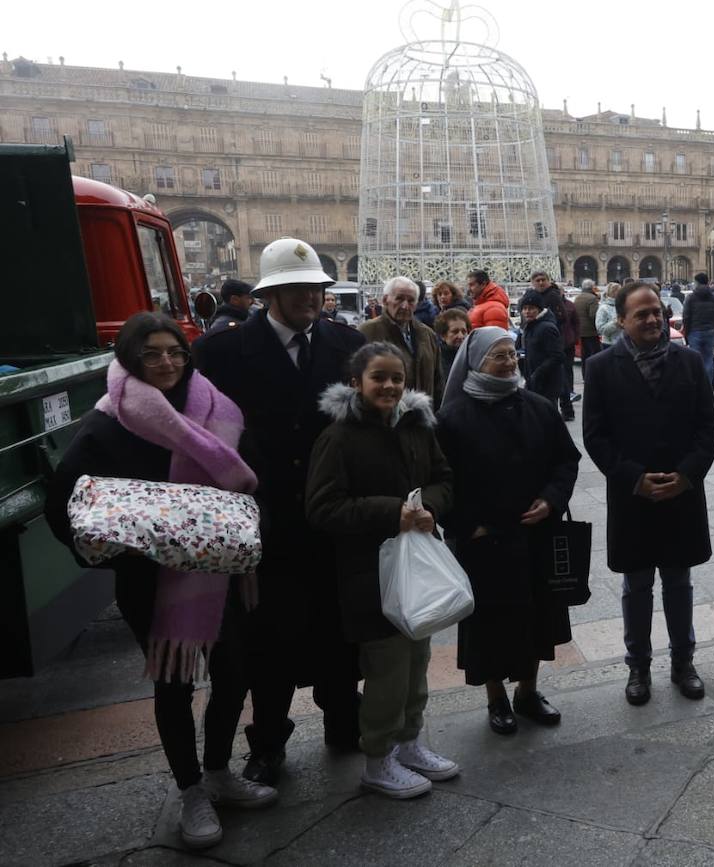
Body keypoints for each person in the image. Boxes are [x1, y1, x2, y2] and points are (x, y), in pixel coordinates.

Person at [46, 313, 277, 849]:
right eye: (151, 354)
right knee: (173, 686)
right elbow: (64, 501)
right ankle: (191, 789)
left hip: (221, 575)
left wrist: (253, 526)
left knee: (233, 672)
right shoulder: (110, 420)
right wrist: (119, 557)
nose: (167, 362)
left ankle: (219, 771)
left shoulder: (219, 407)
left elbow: (254, 476)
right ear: (131, 359)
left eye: (175, 350)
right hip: (151, 583)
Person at [193, 237, 366, 786]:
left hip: (333, 516)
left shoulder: (348, 343)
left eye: (314, 288)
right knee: (271, 638)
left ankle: (345, 724)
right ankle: (268, 741)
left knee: (341, 628)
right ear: (269, 294)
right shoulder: (221, 353)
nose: (309, 298)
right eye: (295, 289)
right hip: (267, 520)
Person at [305, 343, 458, 798]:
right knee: (387, 667)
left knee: (418, 658)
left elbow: (443, 478)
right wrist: (393, 511)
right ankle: (378, 758)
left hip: (416, 565)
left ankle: (409, 743)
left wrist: (429, 507)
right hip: (368, 571)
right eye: (379, 378)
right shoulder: (338, 436)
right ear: (357, 383)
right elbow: (322, 507)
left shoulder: (417, 426)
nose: (389, 386)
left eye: (397, 377)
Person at [583, 281, 714, 705]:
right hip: (633, 497)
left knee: (679, 581)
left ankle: (684, 662)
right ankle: (638, 666)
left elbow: (708, 427)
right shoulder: (601, 368)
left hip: (681, 493)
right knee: (637, 584)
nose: (652, 319)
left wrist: (686, 475)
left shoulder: (690, 361)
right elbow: (596, 436)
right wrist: (634, 478)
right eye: (641, 314)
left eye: (657, 312)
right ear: (620, 320)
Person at [437, 328, 581, 735]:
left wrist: (551, 499)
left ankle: (529, 691)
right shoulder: (453, 417)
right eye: (497, 356)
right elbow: (442, 480)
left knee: (537, 614)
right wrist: (469, 525)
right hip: (484, 540)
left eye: (511, 354)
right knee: (490, 621)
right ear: (475, 363)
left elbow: (565, 460)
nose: (509, 361)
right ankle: (496, 696)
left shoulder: (538, 406)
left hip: (534, 533)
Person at [360, 277, 445, 407]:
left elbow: (438, 380)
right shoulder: (367, 332)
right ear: (385, 300)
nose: (405, 306)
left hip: (422, 418)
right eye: (399, 299)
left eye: (411, 301)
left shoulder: (427, 334)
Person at [529, 270, 577, 421]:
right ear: (532, 282)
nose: (541, 282)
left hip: (554, 342)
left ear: (549, 281)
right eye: (537, 280)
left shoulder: (552, 295)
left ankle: (560, 412)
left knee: (557, 379)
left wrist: (549, 328)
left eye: (543, 279)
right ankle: (564, 410)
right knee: (558, 379)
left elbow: (562, 317)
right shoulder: (535, 295)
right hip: (546, 342)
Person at [516, 290, 564, 407]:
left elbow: (557, 356)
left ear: (539, 309)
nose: (527, 312)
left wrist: (538, 373)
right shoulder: (529, 326)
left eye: (531, 308)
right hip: (533, 381)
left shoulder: (546, 327)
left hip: (546, 382)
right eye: (525, 308)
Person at [682, 272, 714, 391]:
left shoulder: (691, 298)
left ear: (696, 282)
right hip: (709, 331)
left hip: (694, 331)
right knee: (708, 359)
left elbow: (686, 316)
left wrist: (687, 332)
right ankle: (707, 386)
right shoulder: (713, 298)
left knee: (695, 360)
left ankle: (696, 386)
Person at [434, 307, 470, 380]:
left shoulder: (471, 357)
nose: (460, 336)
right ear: (443, 335)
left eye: (464, 332)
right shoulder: (436, 360)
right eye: (455, 332)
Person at [573, 279, 602, 366]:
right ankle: (594, 376)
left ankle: (585, 375)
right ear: (592, 288)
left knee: (584, 355)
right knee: (595, 355)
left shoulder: (577, 298)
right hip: (591, 332)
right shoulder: (592, 298)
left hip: (580, 331)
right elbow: (593, 315)